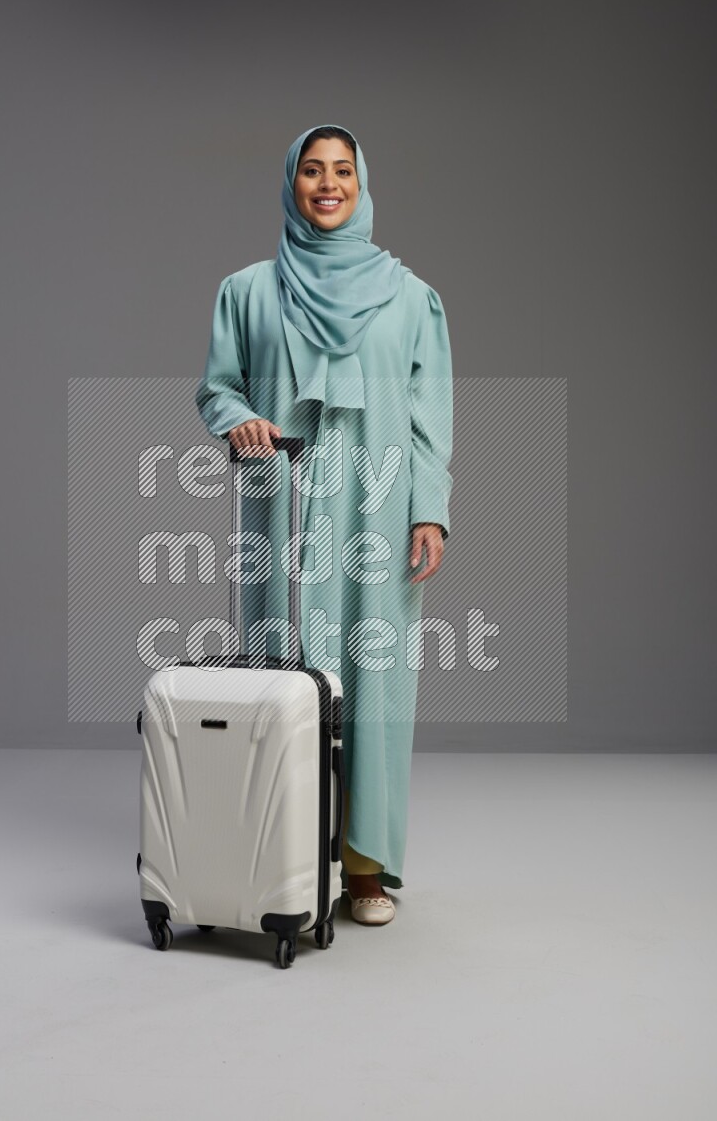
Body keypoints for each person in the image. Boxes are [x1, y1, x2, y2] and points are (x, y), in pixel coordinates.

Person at [196, 124, 453, 926]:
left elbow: (428, 417)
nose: (328, 184)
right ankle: (282, 856)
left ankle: (364, 867)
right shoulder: (246, 290)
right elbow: (216, 390)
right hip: (284, 506)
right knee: (283, 675)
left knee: (373, 684)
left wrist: (431, 511)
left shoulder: (412, 299)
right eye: (313, 170)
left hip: (378, 506)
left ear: (362, 182)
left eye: (343, 170)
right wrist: (238, 420)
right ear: (292, 182)